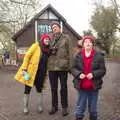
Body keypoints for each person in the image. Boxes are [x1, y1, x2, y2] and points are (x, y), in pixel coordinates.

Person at [71, 36, 106, 120]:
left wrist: (93, 74)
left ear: (92, 44)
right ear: (83, 44)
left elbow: (103, 70)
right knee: (80, 108)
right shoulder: (77, 56)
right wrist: (79, 74)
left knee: (93, 109)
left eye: (90, 41)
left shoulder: (99, 56)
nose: (88, 43)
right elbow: (72, 68)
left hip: (94, 87)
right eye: (85, 41)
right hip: (81, 86)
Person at [14, 34, 50, 114]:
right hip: (31, 72)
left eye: (48, 39)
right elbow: (27, 56)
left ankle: (40, 106)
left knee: (39, 89)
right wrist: (24, 68)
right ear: (42, 39)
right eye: (46, 39)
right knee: (27, 90)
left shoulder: (48, 49)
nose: (47, 40)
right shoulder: (36, 46)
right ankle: (25, 107)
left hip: (41, 73)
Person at [48, 21, 72, 116]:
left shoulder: (66, 38)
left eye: (55, 27)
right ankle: (54, 107)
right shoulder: (50, 38)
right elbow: (45, 50)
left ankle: (64, 107)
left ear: (59, 28)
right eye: (53, 28)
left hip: (63, 67)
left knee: (63, 88)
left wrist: (70, 66)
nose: (54, 29)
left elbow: (70, 52)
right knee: (53, 88)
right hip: (52, 67)